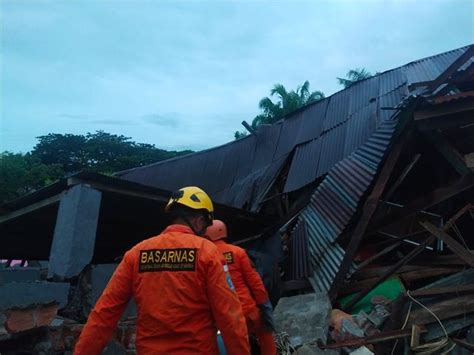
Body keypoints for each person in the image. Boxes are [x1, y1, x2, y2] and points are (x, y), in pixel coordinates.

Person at [75, 186, 250, 355]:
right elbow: (230, 318)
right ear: (199, 221)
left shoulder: (137, 254)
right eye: (205, 227)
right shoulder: (208, 252)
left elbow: (104, 314)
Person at [205, 220, 277, 355]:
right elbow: (255, 283)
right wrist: (265, 306)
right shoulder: (238, 252)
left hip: (226, 316)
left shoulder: (205, 256)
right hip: (248, 310)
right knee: (265, 333)